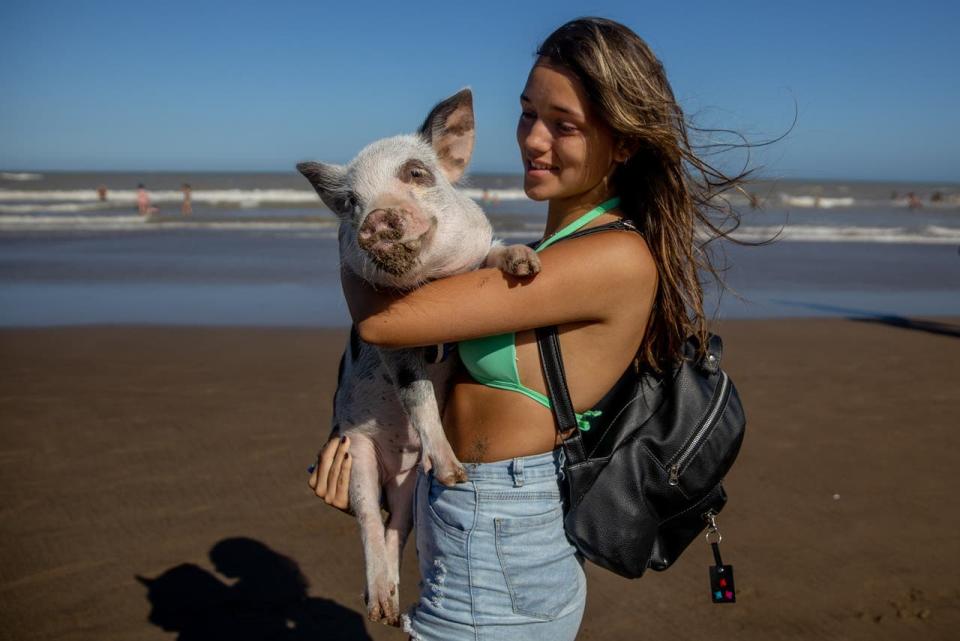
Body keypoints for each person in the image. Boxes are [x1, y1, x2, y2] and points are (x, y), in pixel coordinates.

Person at [309, 17, 748, 640]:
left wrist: (360, 221)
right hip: (469, 508)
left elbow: (387, 322)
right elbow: (428, 357)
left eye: (563, 125)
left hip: (498, 527)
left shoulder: (606, 257)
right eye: (526, 114)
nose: (533, 140)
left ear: (622, 143)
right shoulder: (553, 244)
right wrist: (365, 437)